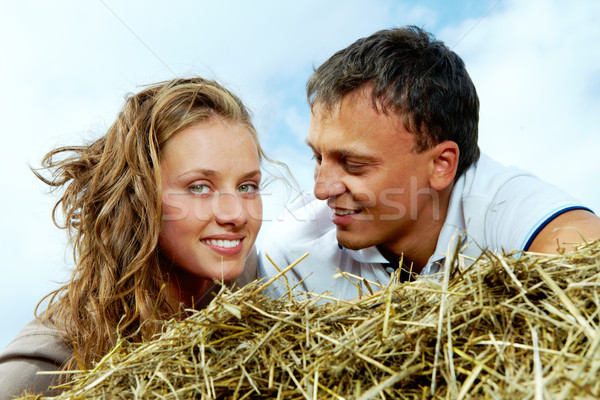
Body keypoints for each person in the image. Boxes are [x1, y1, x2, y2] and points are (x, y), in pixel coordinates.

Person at [258, 26, 600, 300]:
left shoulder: (504, 206)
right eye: (318, 157)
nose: (321, 190)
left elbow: (586, 262)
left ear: (441, 165)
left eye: (354, 164)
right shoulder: (292, 255)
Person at [0, 77, 264, 398]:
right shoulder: (41, 369)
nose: (236, 214)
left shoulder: (249, 283)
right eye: (199, 187)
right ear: (139, 199)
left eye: (247, 186)